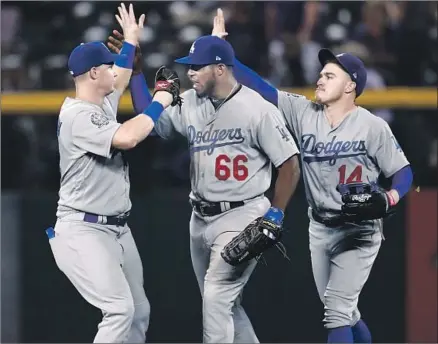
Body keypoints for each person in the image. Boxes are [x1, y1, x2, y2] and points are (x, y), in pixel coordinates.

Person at [210, 8, 413, 344]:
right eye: (322, 73)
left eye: (330, 75)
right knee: (345, 313)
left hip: (359, 227)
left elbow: (404, 173)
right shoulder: (304, 112)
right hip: (319, 224)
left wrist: (390, 197)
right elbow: (259, 86)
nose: (320, 78)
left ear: (351, 86)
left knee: (335, 310)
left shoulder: (372, 126)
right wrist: (223, 54)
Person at [107, 33, 301, 342]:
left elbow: (290, 164)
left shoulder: (257, 108)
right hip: (200, 217)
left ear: (221, 69)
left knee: (216, 296)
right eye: (190, 67)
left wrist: (275, 213)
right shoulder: (192, 103)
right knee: (225, 305)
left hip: (243, 213)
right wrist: (138, 73)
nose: (190, 73)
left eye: (198, 67)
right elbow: (151, 123)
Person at [46, 4, 178, 343]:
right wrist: (161, 99)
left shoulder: (98, 103)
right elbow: (128, 137)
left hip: (115, 228)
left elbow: (121, 75)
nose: (115, 69)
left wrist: (132, 40)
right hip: (82, 230)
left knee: (139, 311)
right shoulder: (79, 116)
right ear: (92, 74)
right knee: (120, 310)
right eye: (107, 64)